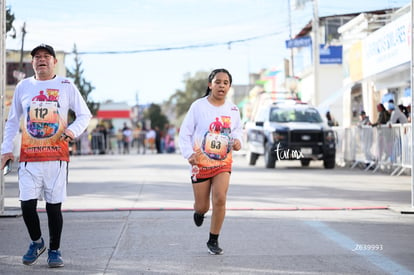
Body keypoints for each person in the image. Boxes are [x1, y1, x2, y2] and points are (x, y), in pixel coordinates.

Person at [0, 44, 92, 268]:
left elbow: (84, 114)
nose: (41, 60)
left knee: (53, 207)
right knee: (27, 206)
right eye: (37, 57)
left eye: (46, 56)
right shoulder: (23, 86)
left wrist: (71, 131)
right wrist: (5, 149)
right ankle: (36, 242)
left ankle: (54, 250)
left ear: (54, 62)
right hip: (29, 158)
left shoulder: (65, 85)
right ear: (32, 63)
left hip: (56, 157)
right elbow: (12, 121)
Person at [178, 68, 242, 255]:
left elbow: (238, 130)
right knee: (203, 205)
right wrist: (188, 153)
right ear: (210, 84)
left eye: (225, 82)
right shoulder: (198, 106)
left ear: (229, 86)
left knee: (220, 198)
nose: (221, 85)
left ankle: (213, 239)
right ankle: (199, 211)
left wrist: (238, 141)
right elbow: (185, 132)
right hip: (200, 162)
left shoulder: (233, 109)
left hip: (223, 161)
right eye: (218, 82)